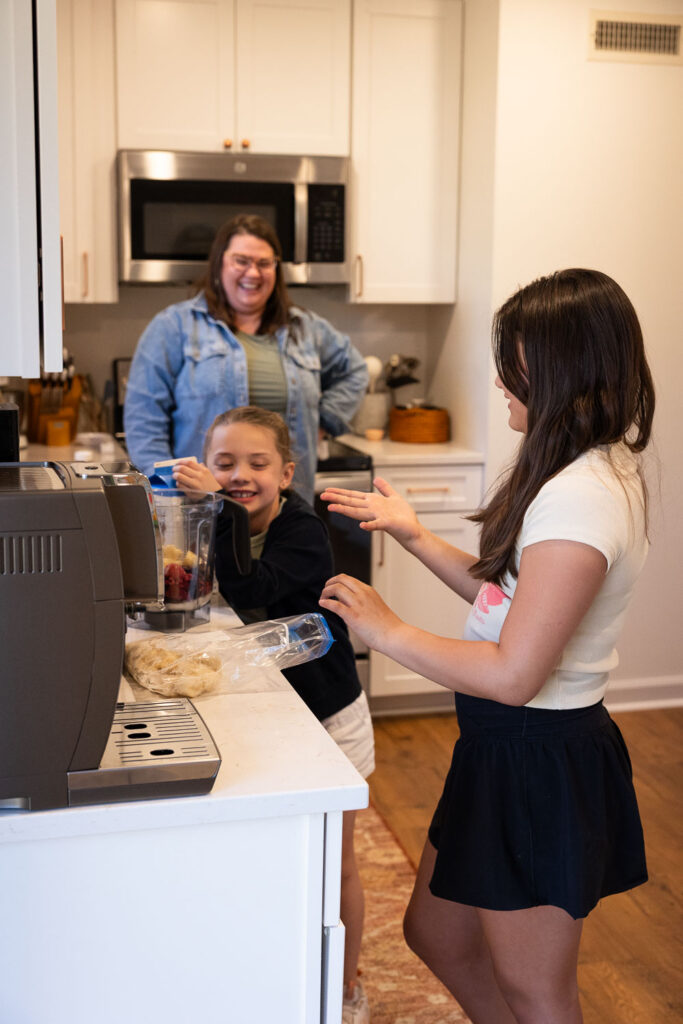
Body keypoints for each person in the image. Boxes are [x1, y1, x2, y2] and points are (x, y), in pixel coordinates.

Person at [319, 268, 655, 1024]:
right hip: (502, 750)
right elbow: (508, 606)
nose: (498, 378)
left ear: (562, 367)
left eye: (513, 360)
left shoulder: (581, 496)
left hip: (538, 756)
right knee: (436, 933)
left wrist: (386, 630)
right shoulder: (574, 471)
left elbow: (513, 671)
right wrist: (413, 535)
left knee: (538, 992)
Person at [172, 405, 375, 1024]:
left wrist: (219, 509)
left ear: (286, 474)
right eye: (223, 463)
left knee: (334, 864)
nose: (239, 475)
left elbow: (251, 587)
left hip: (329, 720)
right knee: (279, 856)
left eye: (257, 464)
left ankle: (345, 986)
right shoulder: (212, 518)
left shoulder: (304, 532)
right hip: (276, 715)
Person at [123, 214, 368, 504]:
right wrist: (170, 493)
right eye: (241, 261)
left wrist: (325, 422)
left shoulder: (306, 328)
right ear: (219, 265)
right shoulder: (174, 326)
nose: (253, 273)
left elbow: (355, 371)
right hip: (204, 508)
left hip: (286, 507)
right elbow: (143, 420)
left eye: (264, 263)